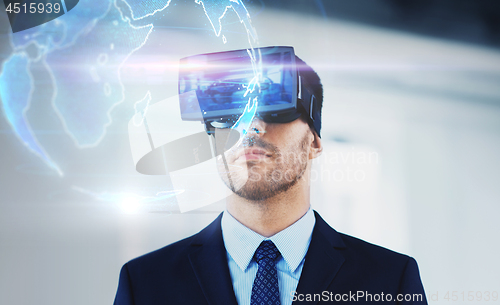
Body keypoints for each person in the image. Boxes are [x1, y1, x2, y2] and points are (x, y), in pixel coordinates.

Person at [114, 47, 427, 305]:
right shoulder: (145, 285)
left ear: (314, 142)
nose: (250, 127)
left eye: (275, 109)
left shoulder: (390, 281)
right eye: (230, 114)